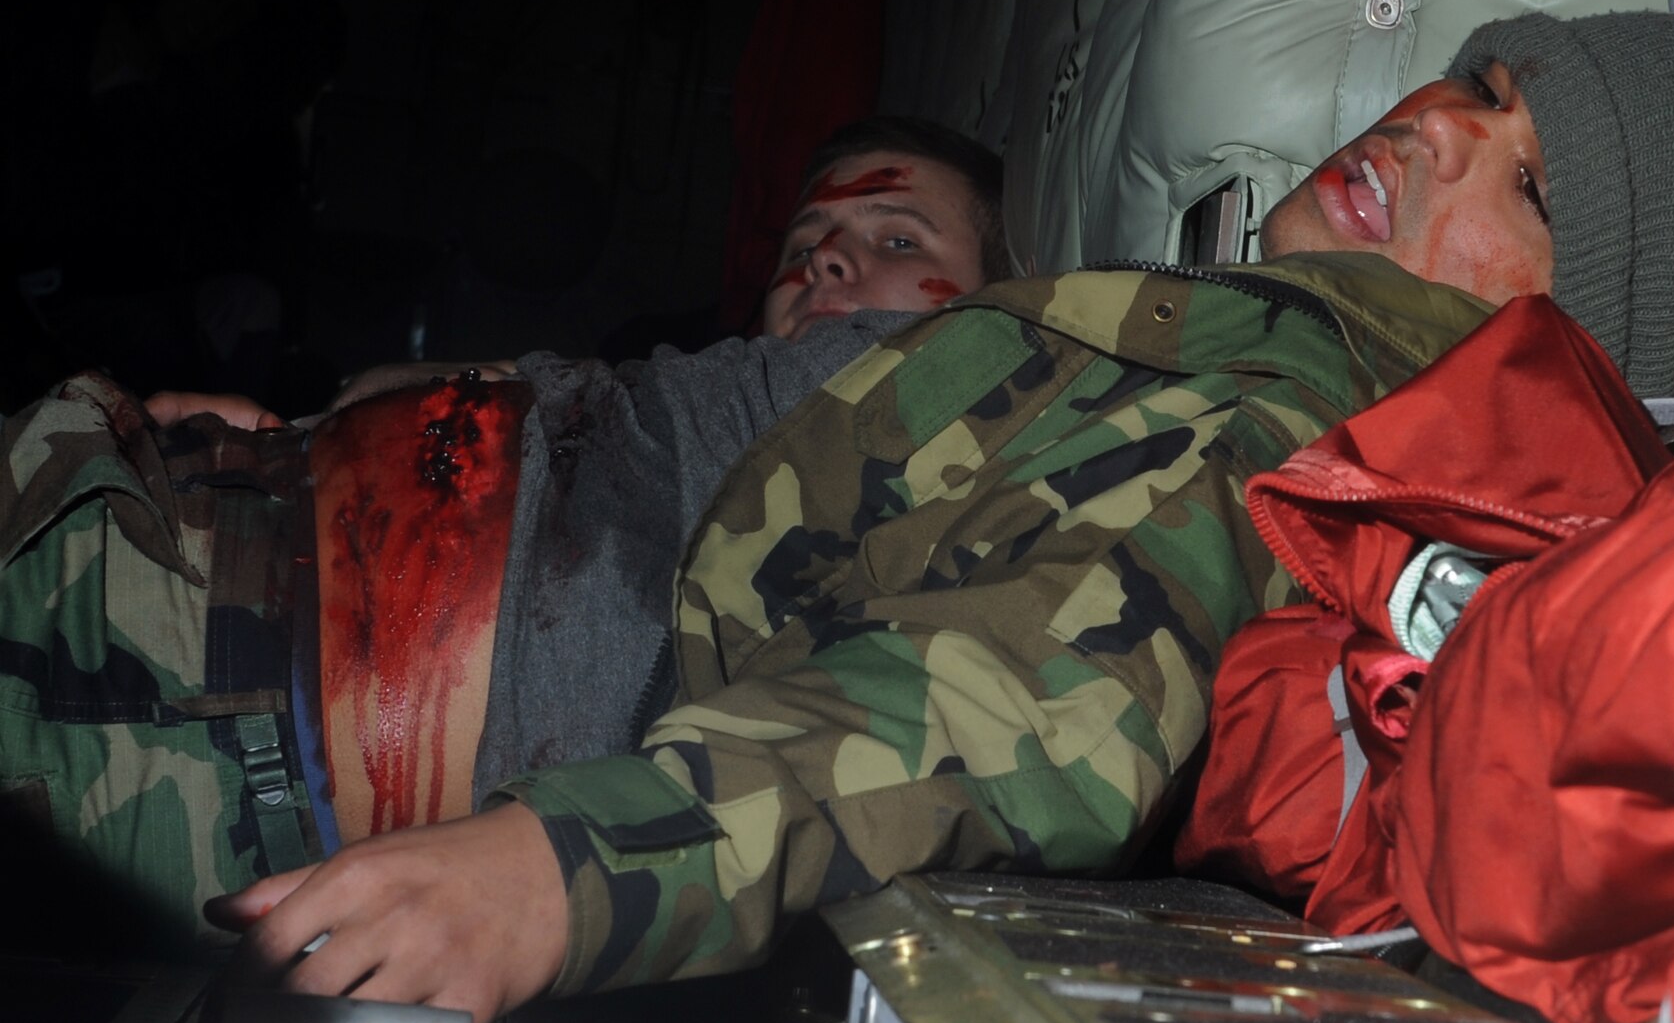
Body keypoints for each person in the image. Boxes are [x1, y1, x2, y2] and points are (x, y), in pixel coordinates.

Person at [5, 12, 1674, 1023]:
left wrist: (568, 871)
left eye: (1528, 174)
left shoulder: (1324, 416)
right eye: (1479, 85)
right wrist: (324, 445)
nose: (1431, 123)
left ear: (1580, 323)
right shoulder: (1238, 332)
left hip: (220, 701)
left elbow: (1027, 694)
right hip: (187, 576)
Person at [0, 114, 1004, 914]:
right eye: (808, 239)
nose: (829, 256)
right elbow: (397, 392)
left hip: (209, 762)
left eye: (895, 239)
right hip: (135, 523)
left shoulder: (948, 440)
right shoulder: (682, 403)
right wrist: (269, 442)